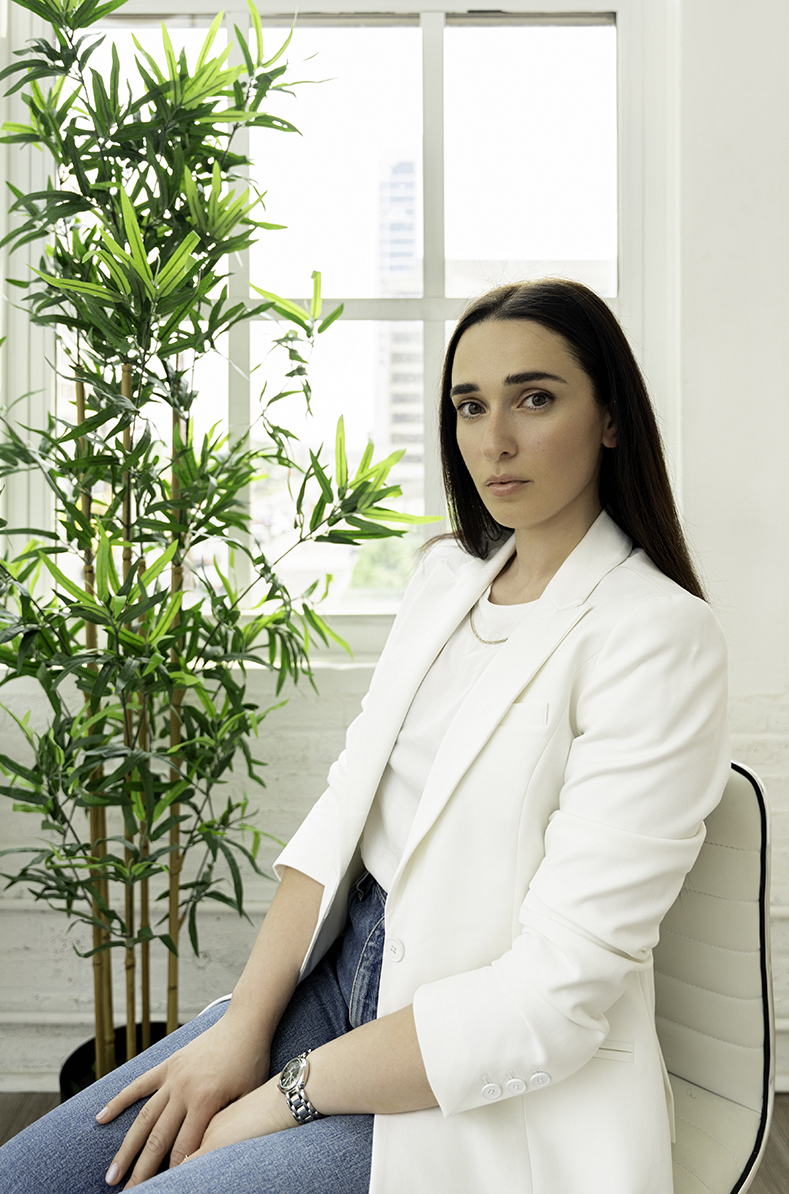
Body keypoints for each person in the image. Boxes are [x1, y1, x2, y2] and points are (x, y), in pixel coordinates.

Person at [0, 278, 730, 1193]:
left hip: (472, 1077)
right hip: (336, 987)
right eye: (469, 406)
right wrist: (239, 1035)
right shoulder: (445, 580)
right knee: (29, 1177)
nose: (493, 440)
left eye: (534, 398)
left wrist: (276, 1099)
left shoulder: (656, 635)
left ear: (611, 419)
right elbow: (342, 812)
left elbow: (551, 998)